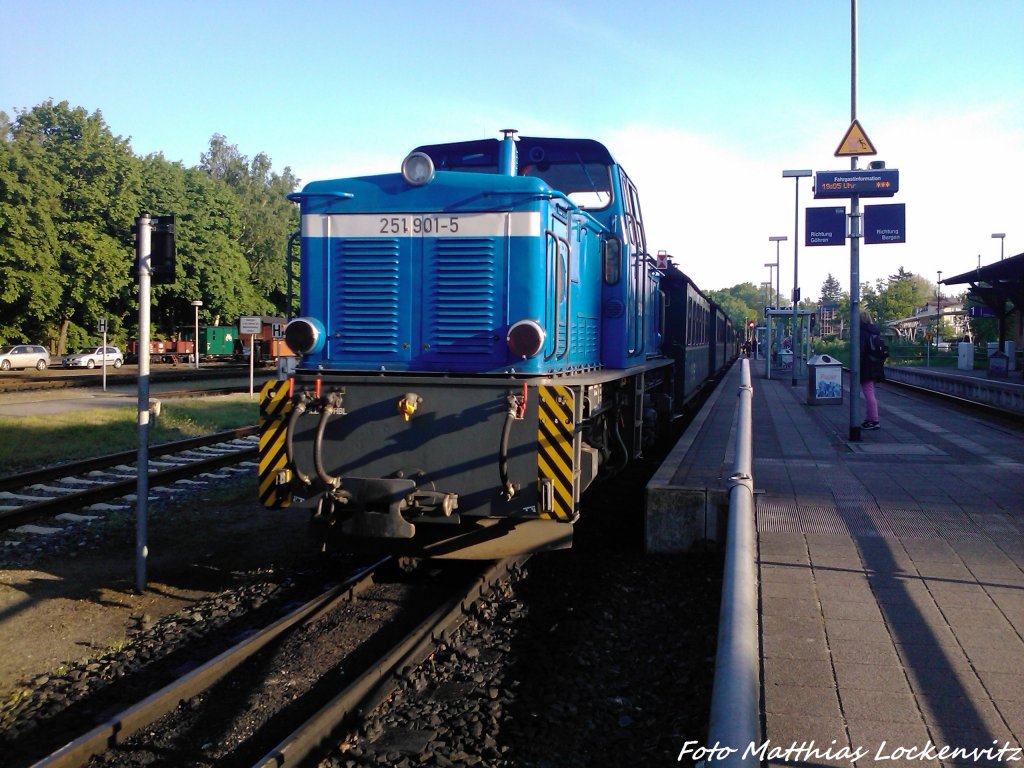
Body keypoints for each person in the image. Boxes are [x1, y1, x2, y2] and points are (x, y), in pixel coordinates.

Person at [859, 309, 886, 430]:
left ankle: (874, 420)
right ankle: (868, 419)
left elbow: (860, 351)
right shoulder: (874, 332)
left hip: (866, 366)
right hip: (876, 365)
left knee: (868, 393)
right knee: (870, 391)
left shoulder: (862, 333)